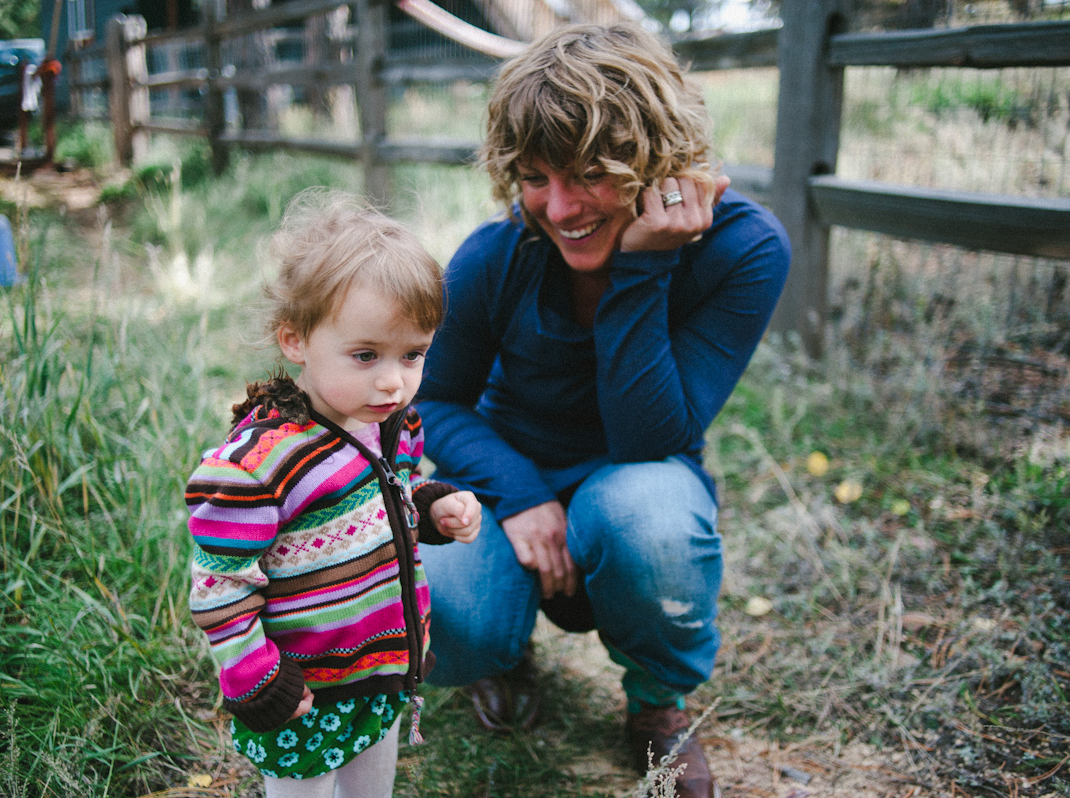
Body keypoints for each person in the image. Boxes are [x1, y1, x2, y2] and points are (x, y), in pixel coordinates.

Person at [414, 22, 790, 798]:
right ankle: (504, 645)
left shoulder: (744, 251)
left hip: (636, 475)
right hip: (503, 474)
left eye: (589, 173)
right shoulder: (495, 255)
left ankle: (658, 706)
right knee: (446, 615)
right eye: (535, 176)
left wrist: (645, 264)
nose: (559, 207)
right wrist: (518, 494)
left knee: (650, 519)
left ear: (657, 160)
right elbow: (434, 402)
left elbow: (649, 436)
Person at [184, 189, 481, 798]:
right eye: (366, 355)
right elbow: (220, 582)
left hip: (379, 670)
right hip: (302, 687)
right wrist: (257, 678)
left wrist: (430, 509)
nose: (393, 379)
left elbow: (390, 493)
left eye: (413, 354)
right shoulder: (260, 465)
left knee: (373, 785)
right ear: (296, 340)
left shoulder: (389, 423)